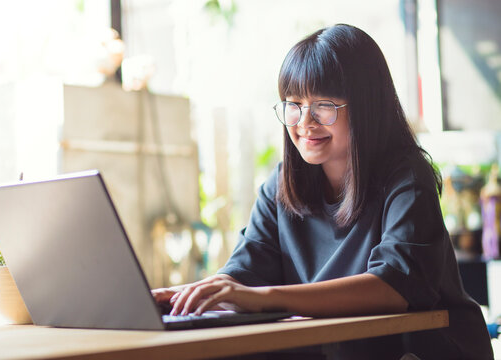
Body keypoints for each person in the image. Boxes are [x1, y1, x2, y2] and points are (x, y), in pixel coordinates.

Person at [152, 24, 493, 359]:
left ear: (366, 105)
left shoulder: (407, 178)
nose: (304, 122)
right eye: (293, 104)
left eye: (324, 105)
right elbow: (246, 269)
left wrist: (265, 297)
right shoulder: (283, 183)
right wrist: (188, 295)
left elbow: (394, 286)